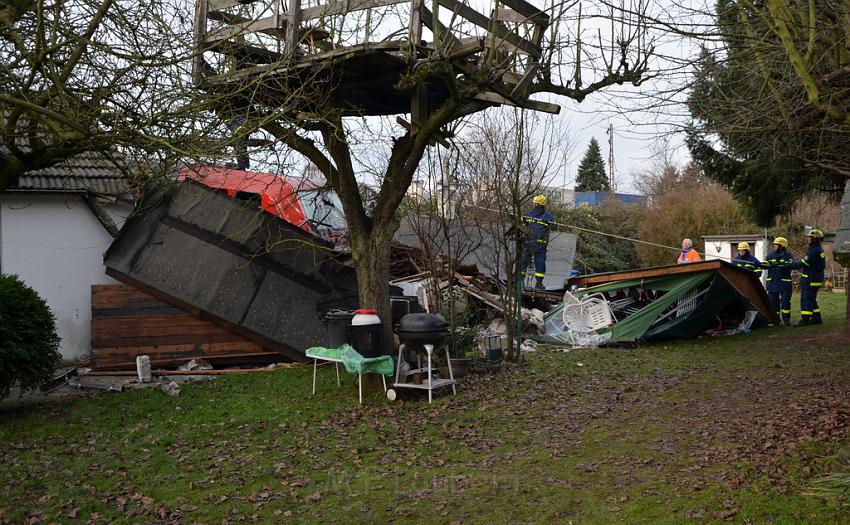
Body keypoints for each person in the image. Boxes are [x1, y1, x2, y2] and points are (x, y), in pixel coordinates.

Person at [788, 229, 827, 325]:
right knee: (811, 299)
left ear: (815, 239)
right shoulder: (817, 249)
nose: (808, 239)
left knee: (806, 299)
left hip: (811, 279)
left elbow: (803, 263)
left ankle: (805, 319)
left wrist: (789, 265)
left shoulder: (814, 250)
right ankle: (817, 318)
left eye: (810, 237)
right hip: (815, 278)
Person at [522, 195, 554, 290]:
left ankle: (539, 283)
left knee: (540, 265)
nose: (533, 204)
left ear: (539, 204)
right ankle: (520, 281)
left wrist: (548, 223)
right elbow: (521, 225)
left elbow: (554, 227)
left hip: (540, 245)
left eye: (535, 203)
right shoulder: (527, 214)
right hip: (527, 243)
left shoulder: (548, 217)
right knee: (523, 263)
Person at [762, 237, 794, 325]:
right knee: (773, 303)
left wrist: (779, 264)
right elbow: (765, 264)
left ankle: (786, 319)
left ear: (782, 246)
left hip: (784, 283)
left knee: (785, 302)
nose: (774, 246)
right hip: (772, 283)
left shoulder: (788, 255)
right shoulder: (770, 255)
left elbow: (790, 264)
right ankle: (775, 320)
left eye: (776, 244)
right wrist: (761, 264)